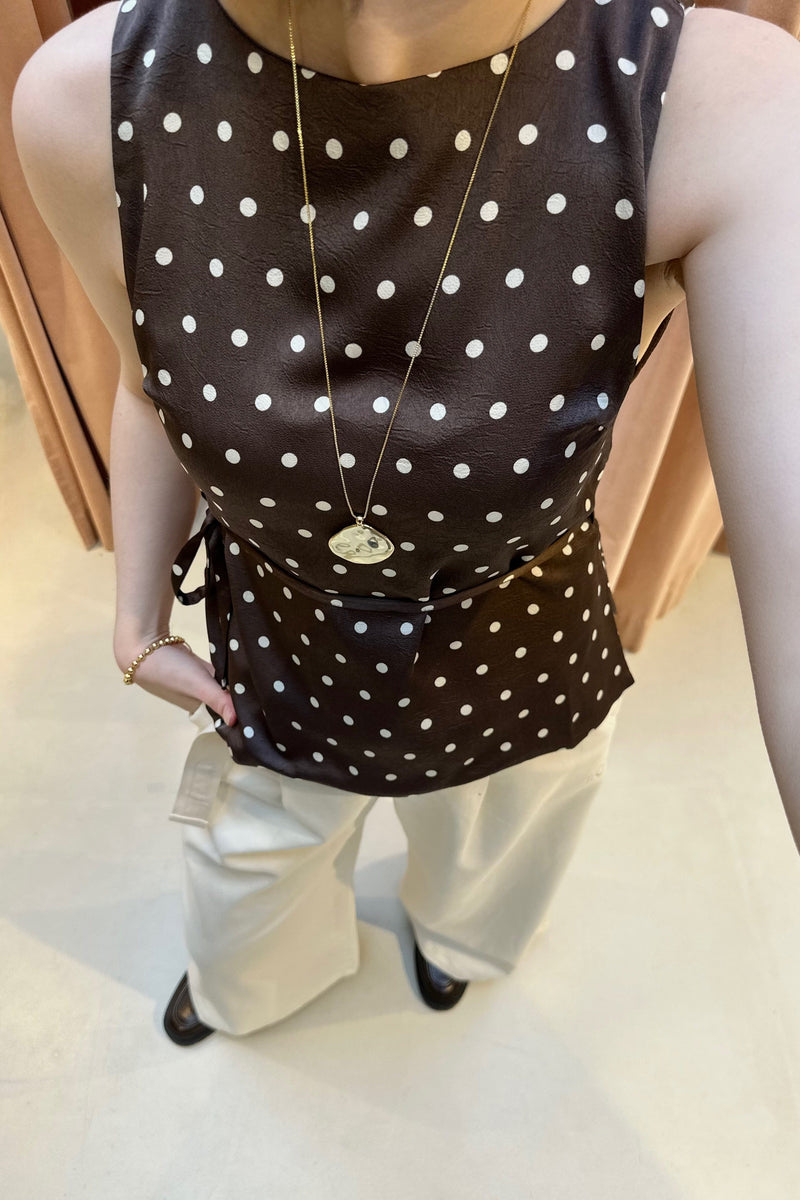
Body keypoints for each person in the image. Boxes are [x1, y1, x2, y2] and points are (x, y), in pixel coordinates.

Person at [11, 0, 800, 1046]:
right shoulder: (94, 99)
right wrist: (136, 615)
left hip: (521, 645)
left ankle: (458, 946)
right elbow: (148, 384)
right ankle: (253, 986)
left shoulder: (712, 102)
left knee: (497, 848)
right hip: (279, 643)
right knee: (250, 866)